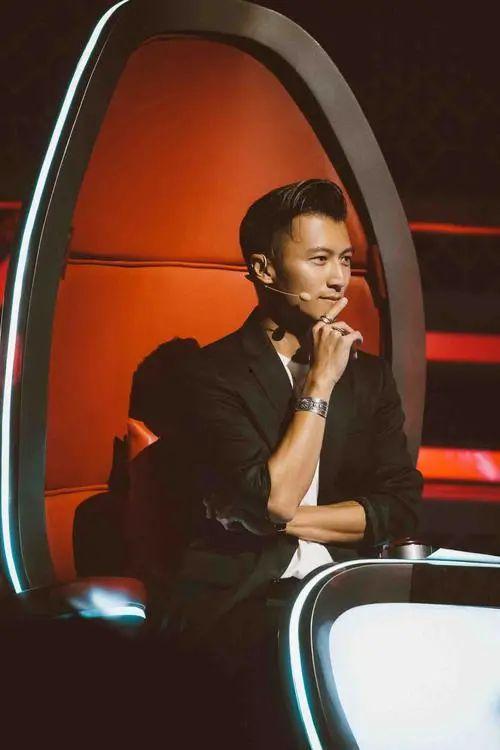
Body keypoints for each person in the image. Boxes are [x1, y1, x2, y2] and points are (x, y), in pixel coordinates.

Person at [131, 178, 422, 748]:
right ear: (264, 269)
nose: (338, 279)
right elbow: (275, 497)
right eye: (318, 260)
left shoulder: (370, 378)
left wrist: (277, 520)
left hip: (347, 590)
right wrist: (319, 383)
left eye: (345, 260)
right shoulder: (210, 376)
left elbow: (399, 507)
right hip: (240, 604)